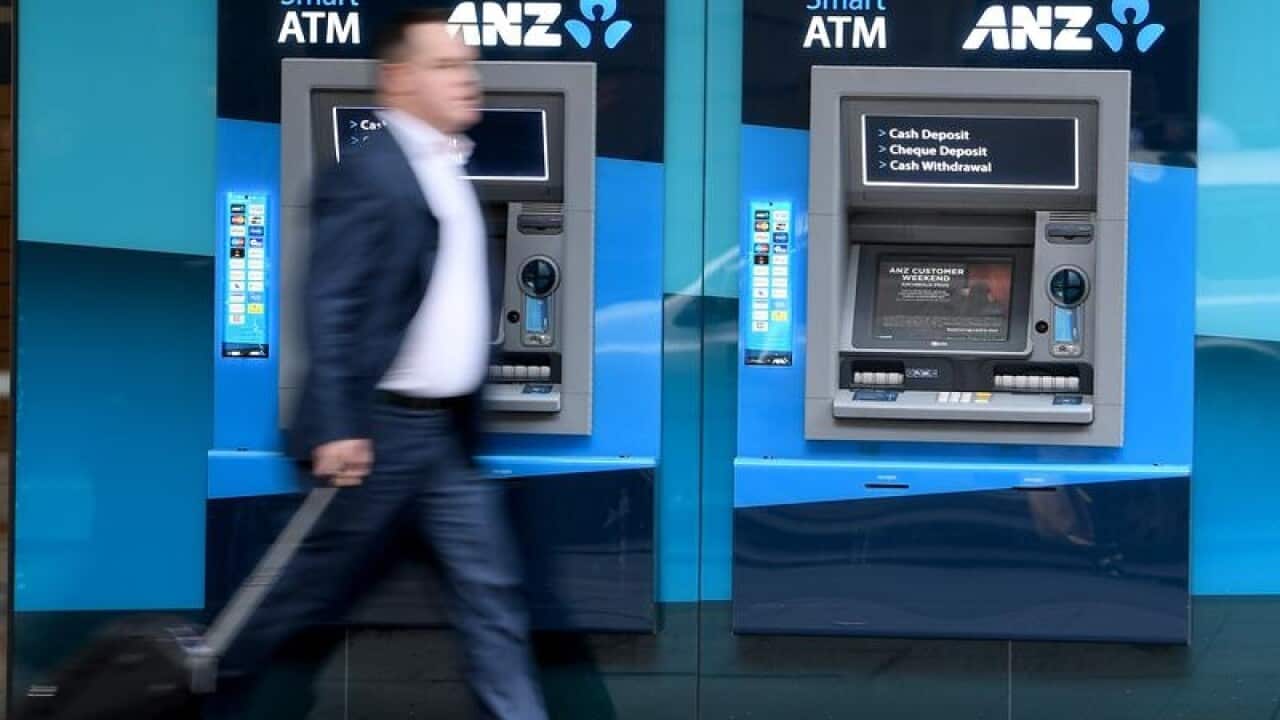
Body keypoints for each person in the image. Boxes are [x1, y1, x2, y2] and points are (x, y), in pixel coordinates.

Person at [210, 10, 548, 719]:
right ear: (399, 80)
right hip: (378, 432)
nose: (468, 78)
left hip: (446, 438)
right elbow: (329, 302)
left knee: (492, 594)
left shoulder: (448, 166)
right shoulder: (368, 172)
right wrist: (338, 423)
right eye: (447, 66)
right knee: (300, 592)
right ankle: (204, 694)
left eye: (469, 65)